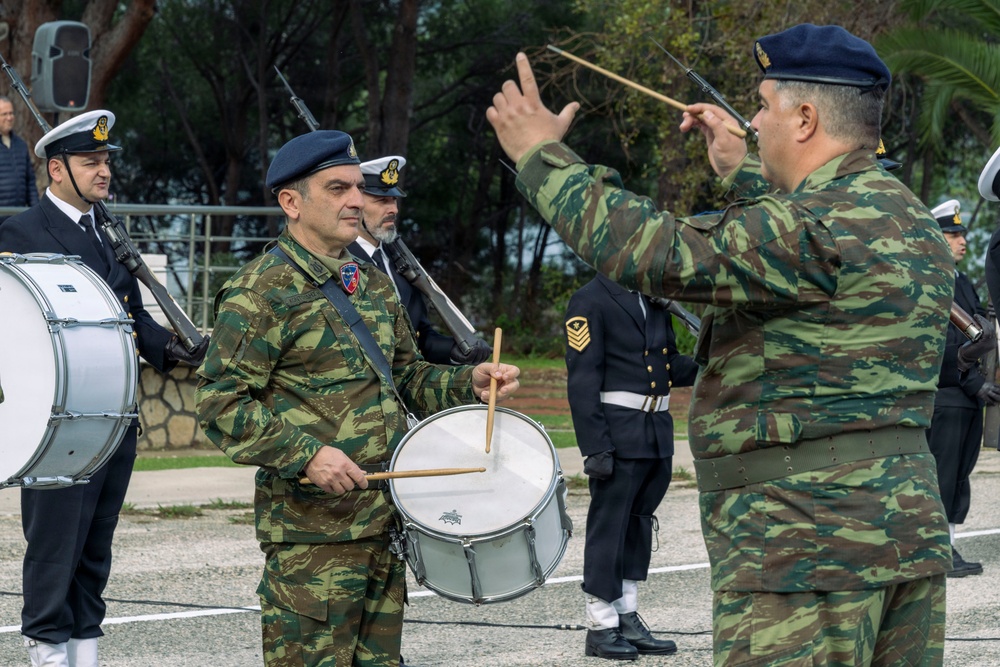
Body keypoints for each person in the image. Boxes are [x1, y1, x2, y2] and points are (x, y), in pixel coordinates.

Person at [487, 24, 955, 665]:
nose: (752, 123)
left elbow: (654, 252)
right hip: (901, 533)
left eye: (762, 106)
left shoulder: (806, 229)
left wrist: (540, 156)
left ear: (805, 118)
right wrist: (744, 170)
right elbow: (804, 253)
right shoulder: (910, 218)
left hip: (804, 543)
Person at [195, 130, 520, 667]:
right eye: (337, 188)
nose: (355, 200)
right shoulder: (261, 291)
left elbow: (405, 376)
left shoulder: (371, 284)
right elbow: (220, 403)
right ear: (292, 202)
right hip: (312, 537)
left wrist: (470, 384)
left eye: (357, 187)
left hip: (383, 521)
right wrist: (307, 455)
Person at [0, 109, 208, 667]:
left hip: (116, 417)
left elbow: (131, 317)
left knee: (94, 551)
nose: (104, 171)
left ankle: (85, 654)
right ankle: (47, 652)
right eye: (91, 161)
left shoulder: (110, 232)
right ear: (57, 169)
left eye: (106, 160)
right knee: (55, 549)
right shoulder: (21, 233)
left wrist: (175, 349)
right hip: (58, 422)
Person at [564, 273, 697, 660]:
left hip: (655, 431)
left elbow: (668, 364)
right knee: (609, 528)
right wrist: (595, 446)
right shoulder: (590, 300)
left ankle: (626, 616)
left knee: (637, 526)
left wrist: (716, 358)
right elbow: (583, 378)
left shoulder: (654, 298)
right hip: (618, 433)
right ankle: (600, 624)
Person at [349, 154, 491, 365]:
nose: (394, 209)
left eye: (394, 200)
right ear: (356, 205)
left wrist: (454, 350)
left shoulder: (401, 262)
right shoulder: (340, 260)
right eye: (382, 201)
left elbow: (420, 336)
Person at [926, 199, 996, 579]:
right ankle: (937, 550)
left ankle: (948, 546)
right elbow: (942, 345)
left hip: (967, 398)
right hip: (949, 395)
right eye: (953, 234)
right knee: (942, 476)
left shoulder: (961, 281)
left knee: (958, 477)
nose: (962, 241)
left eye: (962, 234)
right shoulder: (932, 282)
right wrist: (974, 382)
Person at [0, 95, 39, 218]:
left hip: (18, 217)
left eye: (11, 113)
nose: (9, 118)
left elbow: (30, 182)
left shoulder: (21, 145)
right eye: (4, 114)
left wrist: (35, 212)